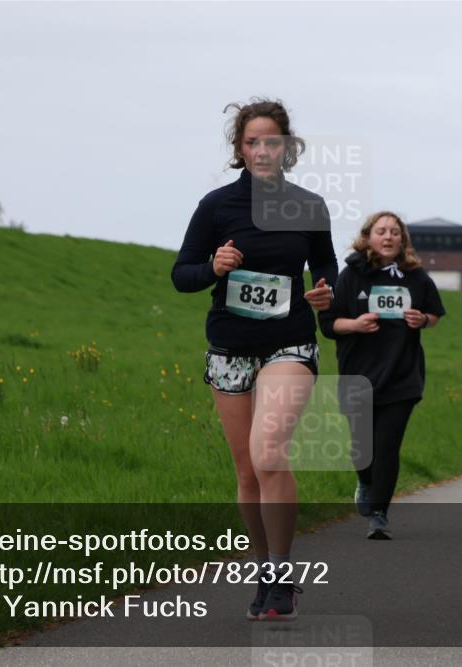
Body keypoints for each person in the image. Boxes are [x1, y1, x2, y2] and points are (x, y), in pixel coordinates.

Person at [171, 98, 337, 620]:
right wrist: (214, 268)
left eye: (272, 141)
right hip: (229, 348)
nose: (262, 150)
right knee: (246, 470)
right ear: (239, 149)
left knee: (268, 452)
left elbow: (328, 273)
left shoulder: (309, 206)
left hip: (288, 342)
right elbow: (182, 275)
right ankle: (264, 569)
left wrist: (325, 296)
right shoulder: (216, 206)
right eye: (252, 141)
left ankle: (284, 577)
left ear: (287, 148)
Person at [318, 211, 444, 539]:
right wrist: (356, 325)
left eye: (394, 232)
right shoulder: (352, 275)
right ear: (368, 237)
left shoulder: (416, 277)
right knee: (362, 448)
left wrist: (423, 320)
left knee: (386, 446)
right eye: (381, 231)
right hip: (357, 375)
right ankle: (365, 481)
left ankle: (379, 514)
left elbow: (434, 314)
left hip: (402, 374)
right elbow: (329, 324)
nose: (388, 237)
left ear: (403, 240)